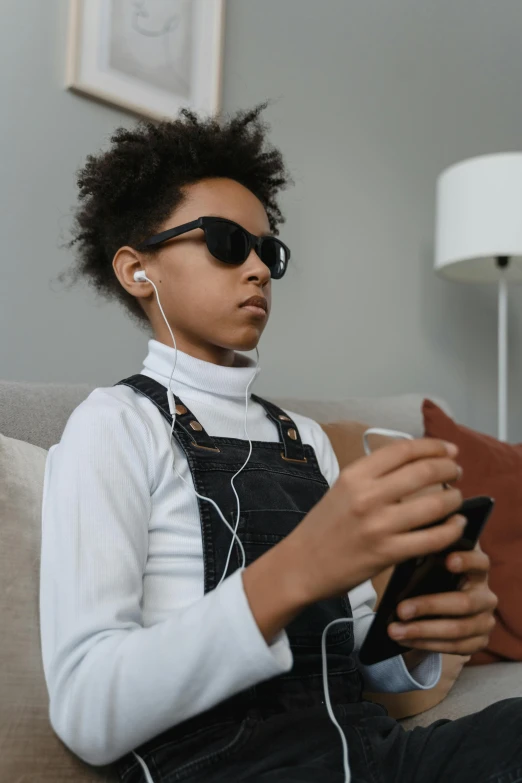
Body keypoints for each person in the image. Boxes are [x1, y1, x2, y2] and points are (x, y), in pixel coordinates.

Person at [40, 104, 520, 783]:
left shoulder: (306, 441)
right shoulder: (113, 426)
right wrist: (294, 570)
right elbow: (88, 709)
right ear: (135, 269)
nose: (259, 268)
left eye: (269, 250)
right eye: (227, 243)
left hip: (370, 759)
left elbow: (356, 674)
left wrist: (415, 636)